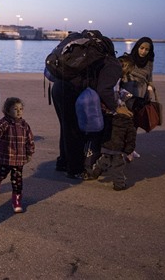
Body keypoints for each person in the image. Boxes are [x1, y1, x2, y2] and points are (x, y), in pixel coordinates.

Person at [52, 32, 122, 179]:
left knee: (65, 127)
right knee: (75, 132)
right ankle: (75, 169)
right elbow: (104, 89)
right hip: (74, 92)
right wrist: (115, 107)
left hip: (58, 88)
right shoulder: (111, 62)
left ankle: (63, 162)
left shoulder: (83, 51)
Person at [84, 55, 137, 190]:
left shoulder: (109, 71)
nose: (127, 74)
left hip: (108, 136)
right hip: (114, 132)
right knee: (118, 163)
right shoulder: (115, 72)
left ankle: (93, 172)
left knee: (105, 157)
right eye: (128, 70)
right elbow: (131, 136)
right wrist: (129, 150)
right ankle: (119, 184)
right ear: (125, 66)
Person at [0, 97, 35, 213]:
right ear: (7, 111)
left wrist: (29, 152)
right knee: (2, 173)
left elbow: (30, 140)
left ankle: (17, 199)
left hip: (19, 159)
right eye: (15, 109)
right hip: (6, 157)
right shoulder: (5, 122)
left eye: (21, 109)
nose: (19, 111)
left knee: (17, 180)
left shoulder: (25, 125)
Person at [121, 37, 156, 109]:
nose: (143, 52)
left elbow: (149, 79)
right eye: (141, 48)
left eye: (147, 50)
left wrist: (150, 91)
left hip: (142, 93)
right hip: (127, 91)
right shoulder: (127, 59)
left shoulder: (149, 62)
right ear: (137, 47)